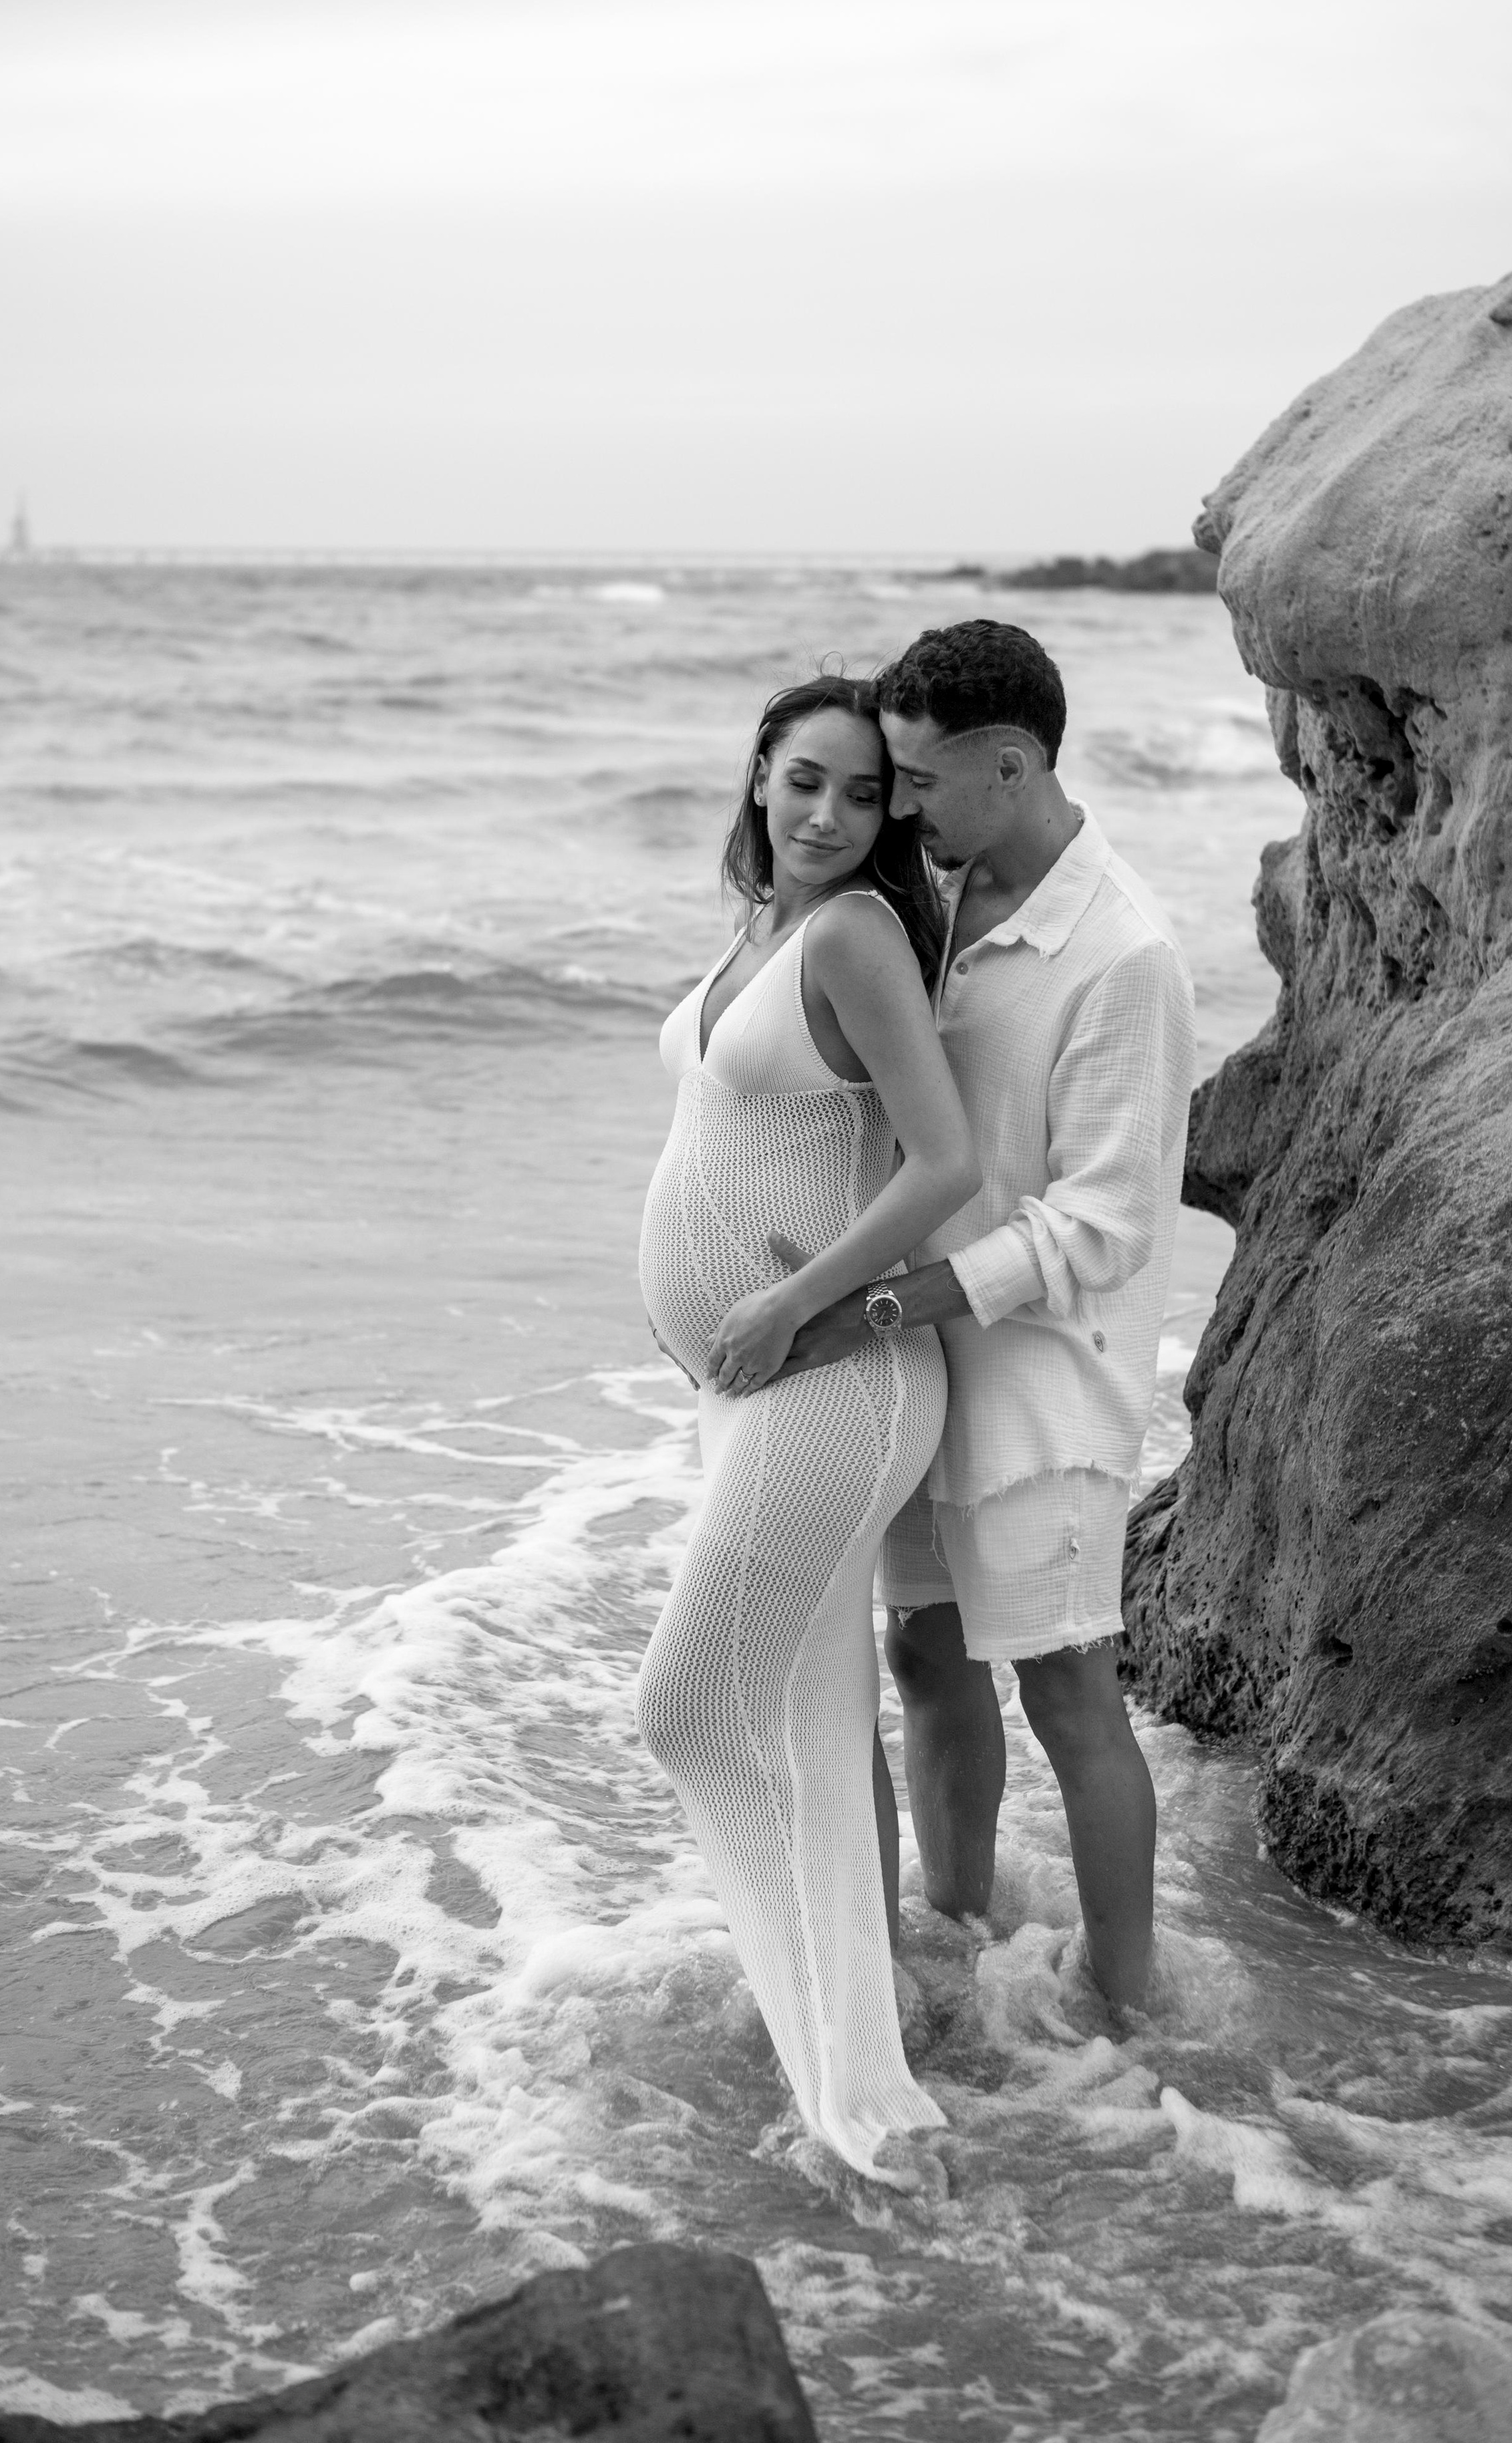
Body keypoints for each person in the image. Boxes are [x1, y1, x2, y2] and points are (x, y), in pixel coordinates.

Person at [768, 620, 1196, 2010]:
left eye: (914, 781)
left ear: (1009, 766)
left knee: (1069, 1690)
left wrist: (884, 1298)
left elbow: (1105, 1224)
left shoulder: (1124, 955)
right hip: (913, 1363)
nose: (895, 808)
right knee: (922, 1653)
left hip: (1040, 1387)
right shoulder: (938, 900)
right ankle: (953, 1926)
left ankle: (1126, 2012)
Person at [635, 673, 980, 2181]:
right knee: (811, 1736)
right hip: (754, 1395)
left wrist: (787, 1308)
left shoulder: (849, 934)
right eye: (801, 782)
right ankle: (862, 2080)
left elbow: (943, 1164)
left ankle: (854, 2092)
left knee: (689, 1712)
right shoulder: (762, 930)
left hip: (833, 1385)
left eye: (858, 792)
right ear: (757, 779)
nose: (827, 816)